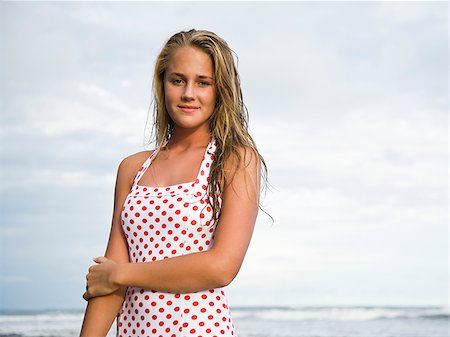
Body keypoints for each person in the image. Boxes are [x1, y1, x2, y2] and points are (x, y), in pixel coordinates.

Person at [80, 29, 267, 337]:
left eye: (203, 82)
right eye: (177, 80)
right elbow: (107, 280)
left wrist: (120, 275)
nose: (188, 93)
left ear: (220, 90)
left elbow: (221, 267)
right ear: (162, 84)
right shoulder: (133, 168)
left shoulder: (234, 160)